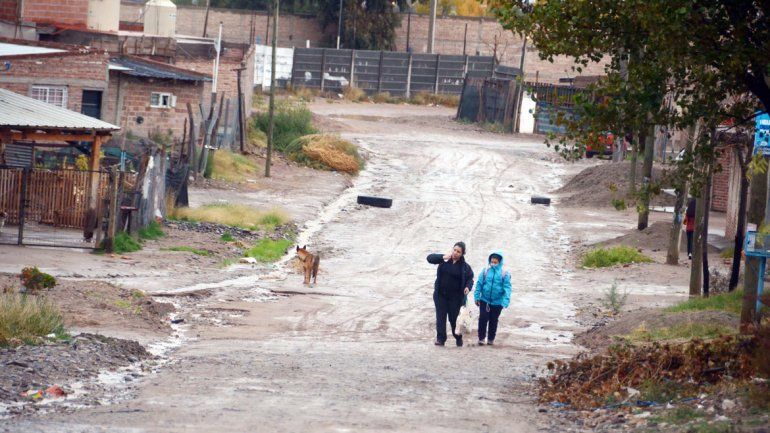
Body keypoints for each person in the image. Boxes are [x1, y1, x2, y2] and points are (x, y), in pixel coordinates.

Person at [426, 242, 474, 347]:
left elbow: (470, 278)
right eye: (454, 250)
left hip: (455, 298)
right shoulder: (444, 260)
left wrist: (468, 287)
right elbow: (429, 258)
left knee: (453, 319)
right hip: (440, 295)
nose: (455, 253)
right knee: (440, 318)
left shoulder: (465, 267)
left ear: (462, 254)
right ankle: (440, 339)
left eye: (458, 252)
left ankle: (458, 338)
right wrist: (442, 257)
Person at [474, 251, 511, 346]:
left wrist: (505, 301)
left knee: (493, 320)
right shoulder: (485, 271)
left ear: (500, 262)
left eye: (495, 262)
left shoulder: (504, 274)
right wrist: (477, 296)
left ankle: (491, 339)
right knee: (483, 318)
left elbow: (507, 288)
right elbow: (479, 284)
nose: (493, 264)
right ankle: (481, 338)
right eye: (492, 262)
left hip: (497, 302)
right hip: (484, 300)